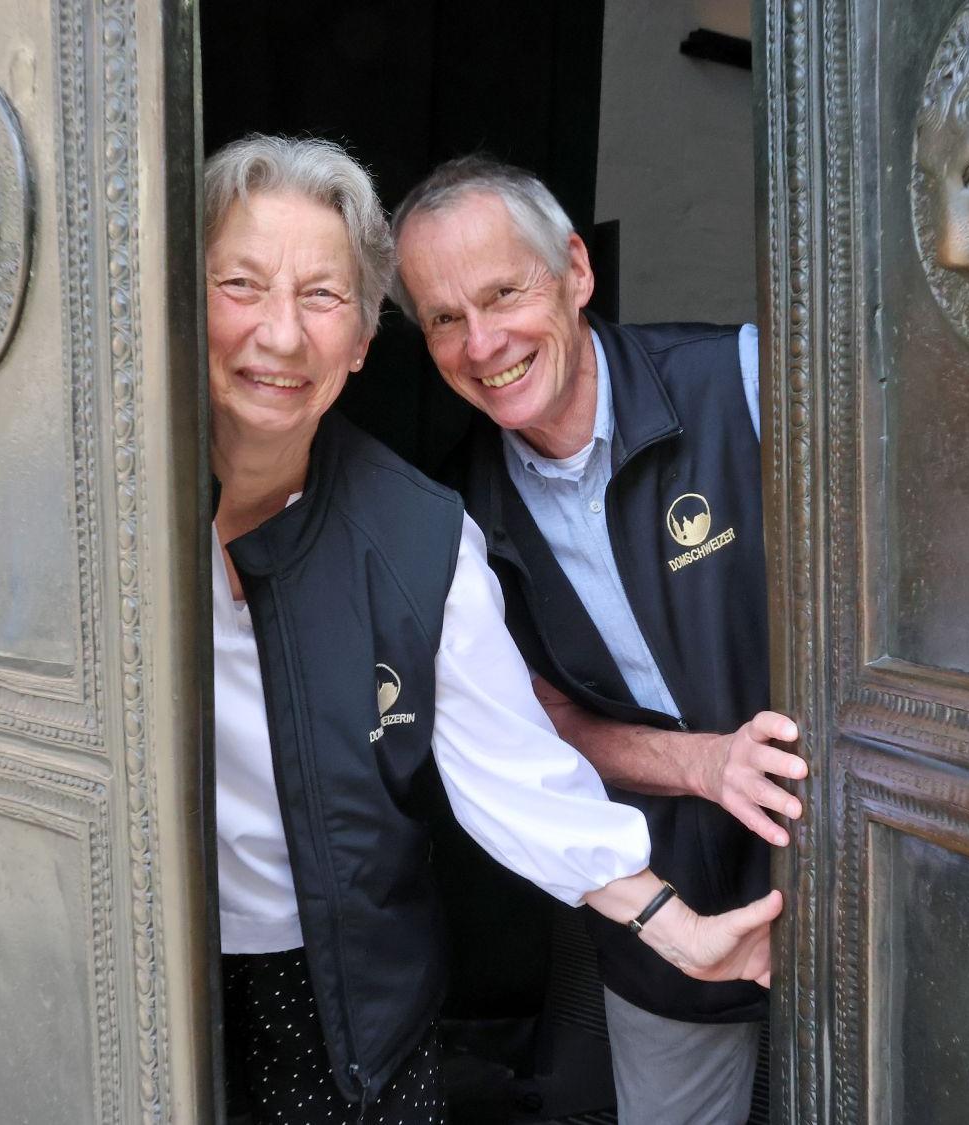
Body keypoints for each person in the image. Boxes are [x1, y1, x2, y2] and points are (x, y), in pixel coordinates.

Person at [204, 134, 780, 1125]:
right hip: (111, 961)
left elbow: (513, 767)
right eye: (241, 284)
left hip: (343, 999)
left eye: (322, 297)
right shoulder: (82, 494)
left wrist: (673, 921)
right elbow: (542, 727)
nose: (280, 336)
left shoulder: (423, 535)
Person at [392, 156, 804, 1124]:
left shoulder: (740, 381)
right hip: (661, 909)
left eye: (502, 292)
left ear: (574, 271)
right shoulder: (451, 518)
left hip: (848, 871)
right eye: (444, 318)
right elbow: (542, 725)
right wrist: (706, 765)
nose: (482, 341)